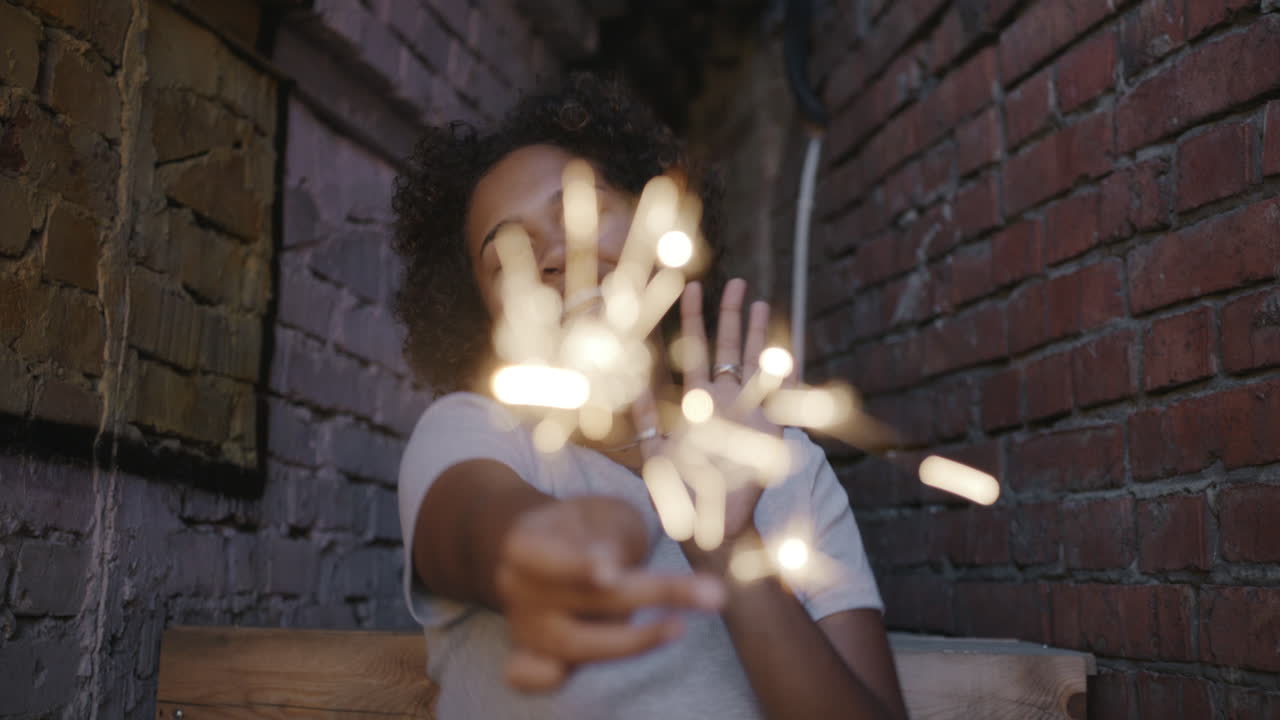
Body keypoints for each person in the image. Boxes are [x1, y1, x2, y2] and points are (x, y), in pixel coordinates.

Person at [392, 74, 907, 720]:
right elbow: (474, 529)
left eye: (583, 210)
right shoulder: (471, 434)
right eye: (511, 257)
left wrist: (728, 551)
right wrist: (534, 548)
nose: (554, 256)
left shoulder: (788, 470)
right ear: (485, 323)